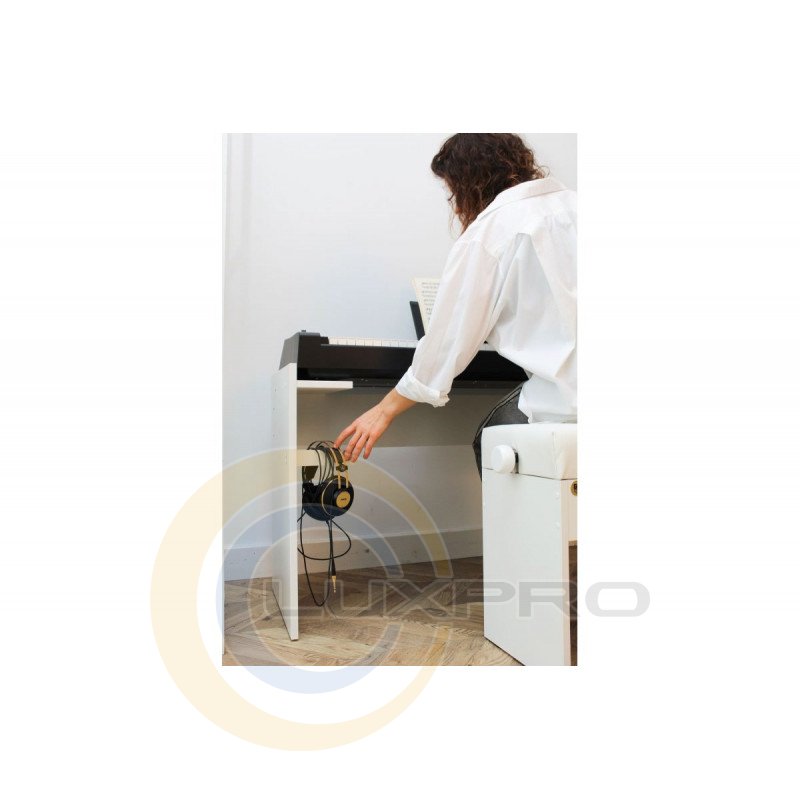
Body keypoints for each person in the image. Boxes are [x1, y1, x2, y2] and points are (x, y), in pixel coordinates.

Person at [334, 133, 577, 476]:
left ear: (468, 183)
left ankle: (517, 515)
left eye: (453, 192)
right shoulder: (576, 205)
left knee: (488, 440)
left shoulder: (491, 231)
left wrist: (384, 409)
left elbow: (447, 342)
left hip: (567, 403)